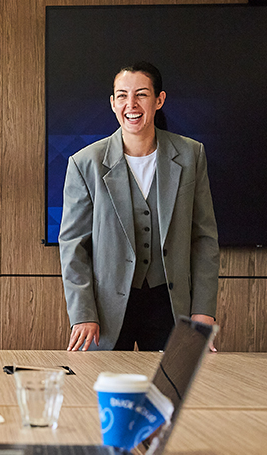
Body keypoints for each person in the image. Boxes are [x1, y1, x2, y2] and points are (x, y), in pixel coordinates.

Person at [59, 61, 219, 352]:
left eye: (141, 94)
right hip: (106, 311)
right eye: (122, 95)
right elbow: (73, 245)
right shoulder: (85, 163)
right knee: (102, 393)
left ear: (159, 100)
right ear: (112, 103)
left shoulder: (191, 154)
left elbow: (204, 239)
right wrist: (83, 313)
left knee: (170, 395)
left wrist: (203, 310)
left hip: (171, 306)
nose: (130, 104)